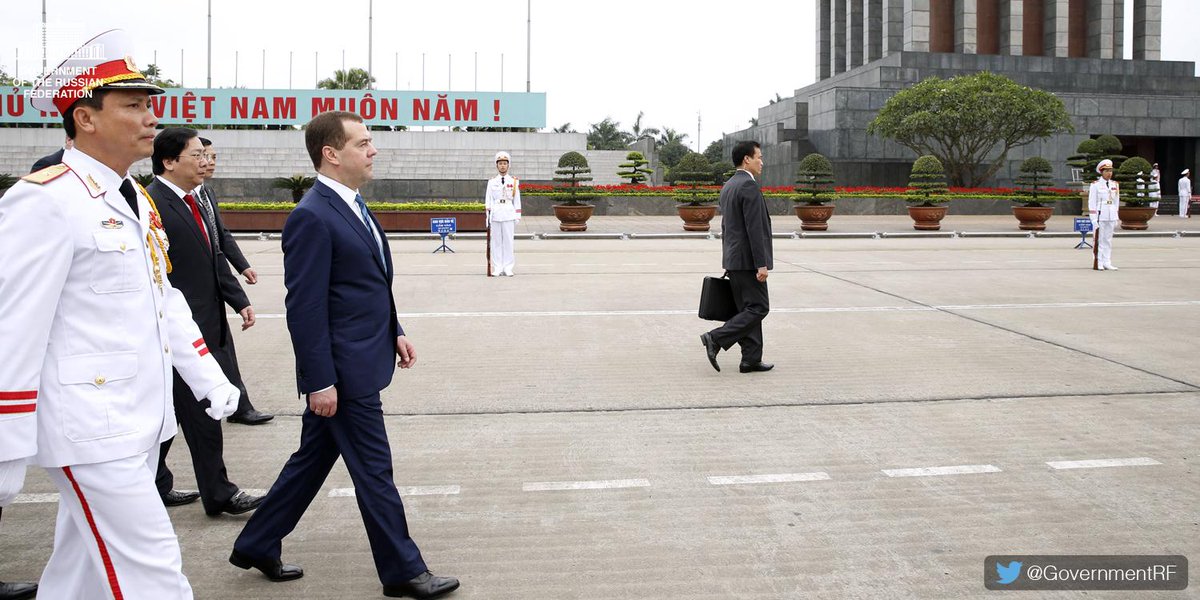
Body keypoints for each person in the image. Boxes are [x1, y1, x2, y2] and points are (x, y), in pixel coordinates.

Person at [0, 29, 241, 598]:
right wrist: (7, 444)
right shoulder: (45, 199)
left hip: (136, 420)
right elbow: (14, 328)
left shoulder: (132, 197)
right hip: (90, 428)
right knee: (154, 576)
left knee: (79, 575)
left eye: (148, 104)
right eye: (132, 106)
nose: (150, 117)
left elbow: (162, 298)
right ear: (85, 118)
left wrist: (208, 377)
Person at [231, 111, 460, 599]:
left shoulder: (352, 204)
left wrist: (394, 330)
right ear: (331, 154)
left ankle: (257, 541)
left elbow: (363, 284)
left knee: (312, 461)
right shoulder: (312, 215)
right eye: (363, 143)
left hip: (362, 356)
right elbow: (306, 308)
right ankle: (402, 570)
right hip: (343, 373)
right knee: (375, 471)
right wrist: (319, 381)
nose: (373, 150)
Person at [147, 127, 266, 516]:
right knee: (194, 414)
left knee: (184, 413)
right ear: (169, 162)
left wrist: (238, 300)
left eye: (206, 155)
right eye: (197, 155)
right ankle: (215, 493)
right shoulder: (150, 203)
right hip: (173, 333)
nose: (205, 162)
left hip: (204, 325)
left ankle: (166, 485)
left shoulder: (195, 199)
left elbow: (214, 254)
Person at [194, 136, 273, 425]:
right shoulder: (172, 200)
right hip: (192, 294)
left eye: (212, 157)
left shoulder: (205, 193)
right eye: (202, 156)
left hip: (213, 287)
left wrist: (242, 266)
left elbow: (220, 237)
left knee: (222, 349)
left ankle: (238, 406)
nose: (209, 162)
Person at [700, 140, 774, 374]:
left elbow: (728, 227)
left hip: (734, 259)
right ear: (747, 159)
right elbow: (754, 229)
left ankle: (750, 359)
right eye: (759, 157)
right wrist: (761, 264)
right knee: (759, 307)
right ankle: (715, 338)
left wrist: (729, 259)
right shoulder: (748, 186)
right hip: (748, 261)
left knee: (747, 309)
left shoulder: (729, 185)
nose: (762, 162)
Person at [485, 151, 521, 276]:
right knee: (496, 242)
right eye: (500, 163)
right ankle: (498, 267)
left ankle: (508, 267)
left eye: (505, 163)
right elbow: (488, 199)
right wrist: (488, 216)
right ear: (497, 165)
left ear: (508, 165)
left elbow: (517, 200)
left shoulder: (514, 181)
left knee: (508, 242)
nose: (502, 166)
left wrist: (517, 216)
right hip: (495, 213)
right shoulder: (492, 181)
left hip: (508, 213)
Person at [1089, 159, 1120, 271]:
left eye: (1110, 170)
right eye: (1106, 171)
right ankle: (1099, 261)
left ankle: (1107, 261)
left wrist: (1116, 217)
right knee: (1099, 240)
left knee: (1108, 240)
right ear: (1101, 172)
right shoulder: (1095, 185)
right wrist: (1093, 219)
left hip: (1111, 215)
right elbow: (1092, 202)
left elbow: (1116, 202)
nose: (1109, 173)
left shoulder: (1115, 184)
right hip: (1100, 215)